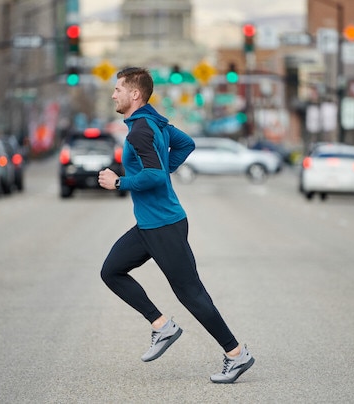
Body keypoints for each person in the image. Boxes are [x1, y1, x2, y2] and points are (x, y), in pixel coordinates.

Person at [98, 67, 255, 384]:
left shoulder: (141, 130)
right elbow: (185, 144)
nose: (113, 94)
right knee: (111, 270)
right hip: (150, 225)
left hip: (163, 226)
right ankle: (161, 325)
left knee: (191, 294)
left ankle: (236, 354)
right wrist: (160, 169)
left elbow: (155, 175)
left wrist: (119, 182)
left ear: (135, 94)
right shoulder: (155, 123)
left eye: (118, 89)